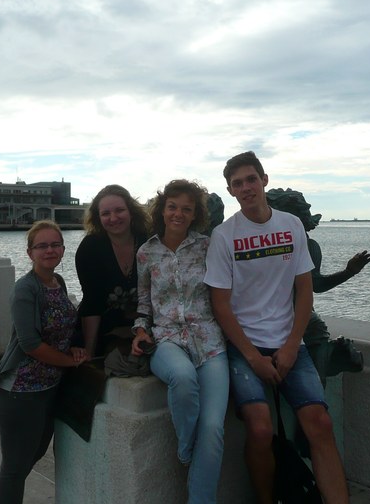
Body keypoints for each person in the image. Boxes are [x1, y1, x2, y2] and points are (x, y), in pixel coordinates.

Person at [204, 151, 349, 504]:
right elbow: (220, 304)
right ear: (231, 191)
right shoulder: (224, 236)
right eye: (237, 183)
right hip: (244, 347)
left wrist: (291, 346)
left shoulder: (291, 225)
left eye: (251, 179)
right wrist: (253, 358)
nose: (246, 188)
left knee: (320, 423)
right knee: (259, 426)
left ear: (264, 180)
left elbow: (304, 291)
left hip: (289, 343)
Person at [132, 180, 228, 504]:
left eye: (187, 209)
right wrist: (140, 331)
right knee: (183, 378)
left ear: (195, 214)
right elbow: (143, 303)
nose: (178, 214)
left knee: (213, 429)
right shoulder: (146, 253)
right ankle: (187, 448)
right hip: (167, 338)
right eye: (172, 207)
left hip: (209, 341)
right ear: (162, 210)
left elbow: (225, 292)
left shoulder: (208, 247)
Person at [0, 220, 89, 504]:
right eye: (42, 246)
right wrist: (69, 362)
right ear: (30, 253)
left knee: (35, 453)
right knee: (15, 468)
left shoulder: (58, 282)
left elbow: (64, 326)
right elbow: (30, 344)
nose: (49, 250)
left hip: (49, 387)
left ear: (63, 249)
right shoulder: (25, 289)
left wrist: (75, 347)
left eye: (55, 245)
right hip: (20, 390)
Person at [266, 188, 370, 385]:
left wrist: (349, 271)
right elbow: (318, 285)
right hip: (276, 317)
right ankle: (320, 381)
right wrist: (349, 272)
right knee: (316, 330)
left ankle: (318, 383)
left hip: (286, 315)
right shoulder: (269, 243)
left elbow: (315, 285)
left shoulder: (306, 245)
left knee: (315, 329)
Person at [75, 184, 150, 357]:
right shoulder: (90, 248)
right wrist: (90, 354)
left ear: (131, 211)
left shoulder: (148, 241)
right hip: (106, 330)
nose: (113, 218)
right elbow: (92, 303)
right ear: (98, 218)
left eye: (119, 210)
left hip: (146, 326)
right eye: (106, 213)